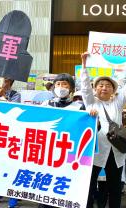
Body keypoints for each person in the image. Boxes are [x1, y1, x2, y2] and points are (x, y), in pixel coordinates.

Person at [81, 52, 126, 208]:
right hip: (95, 150)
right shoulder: (91, 102)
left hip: (116, 151)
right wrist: (84, 66)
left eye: (108, 86)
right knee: (89, 186)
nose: (104, 88)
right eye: (101, 85)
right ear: (95, 88)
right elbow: (84, 88)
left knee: (115, 188)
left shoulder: (117, 102)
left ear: (113, 90)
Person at [38, 73, 86, 208]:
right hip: (47, 153)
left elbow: (86, 130)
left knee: (64, 185)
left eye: (65, 84)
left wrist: (93, 116)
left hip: (68, 155)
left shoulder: (79, 107)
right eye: (58, 84)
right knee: (45, 185)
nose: (61, 87)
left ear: (71, 88)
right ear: (53, 87)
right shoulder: (45, 104)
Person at [0, 77, 21, 208]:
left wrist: (2, 97)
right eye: (1, 80)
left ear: (10, 82)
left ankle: (13, 196)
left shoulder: (16, 95)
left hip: (12, 135)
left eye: (6, 81)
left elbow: (13, 109)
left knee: (12, 166)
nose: (3, 83)